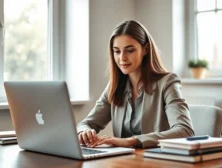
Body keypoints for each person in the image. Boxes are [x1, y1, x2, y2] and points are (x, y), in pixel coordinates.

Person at [77, 20, 194, 148]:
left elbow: (185, 131)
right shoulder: (115, 86)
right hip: (124, 162)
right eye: (117, 51)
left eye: (130, 50)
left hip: (157, 161)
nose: (122, 58)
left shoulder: (168, 82)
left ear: (145, 49)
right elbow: (87, 123)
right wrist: (84, 131)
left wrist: (131, 141)